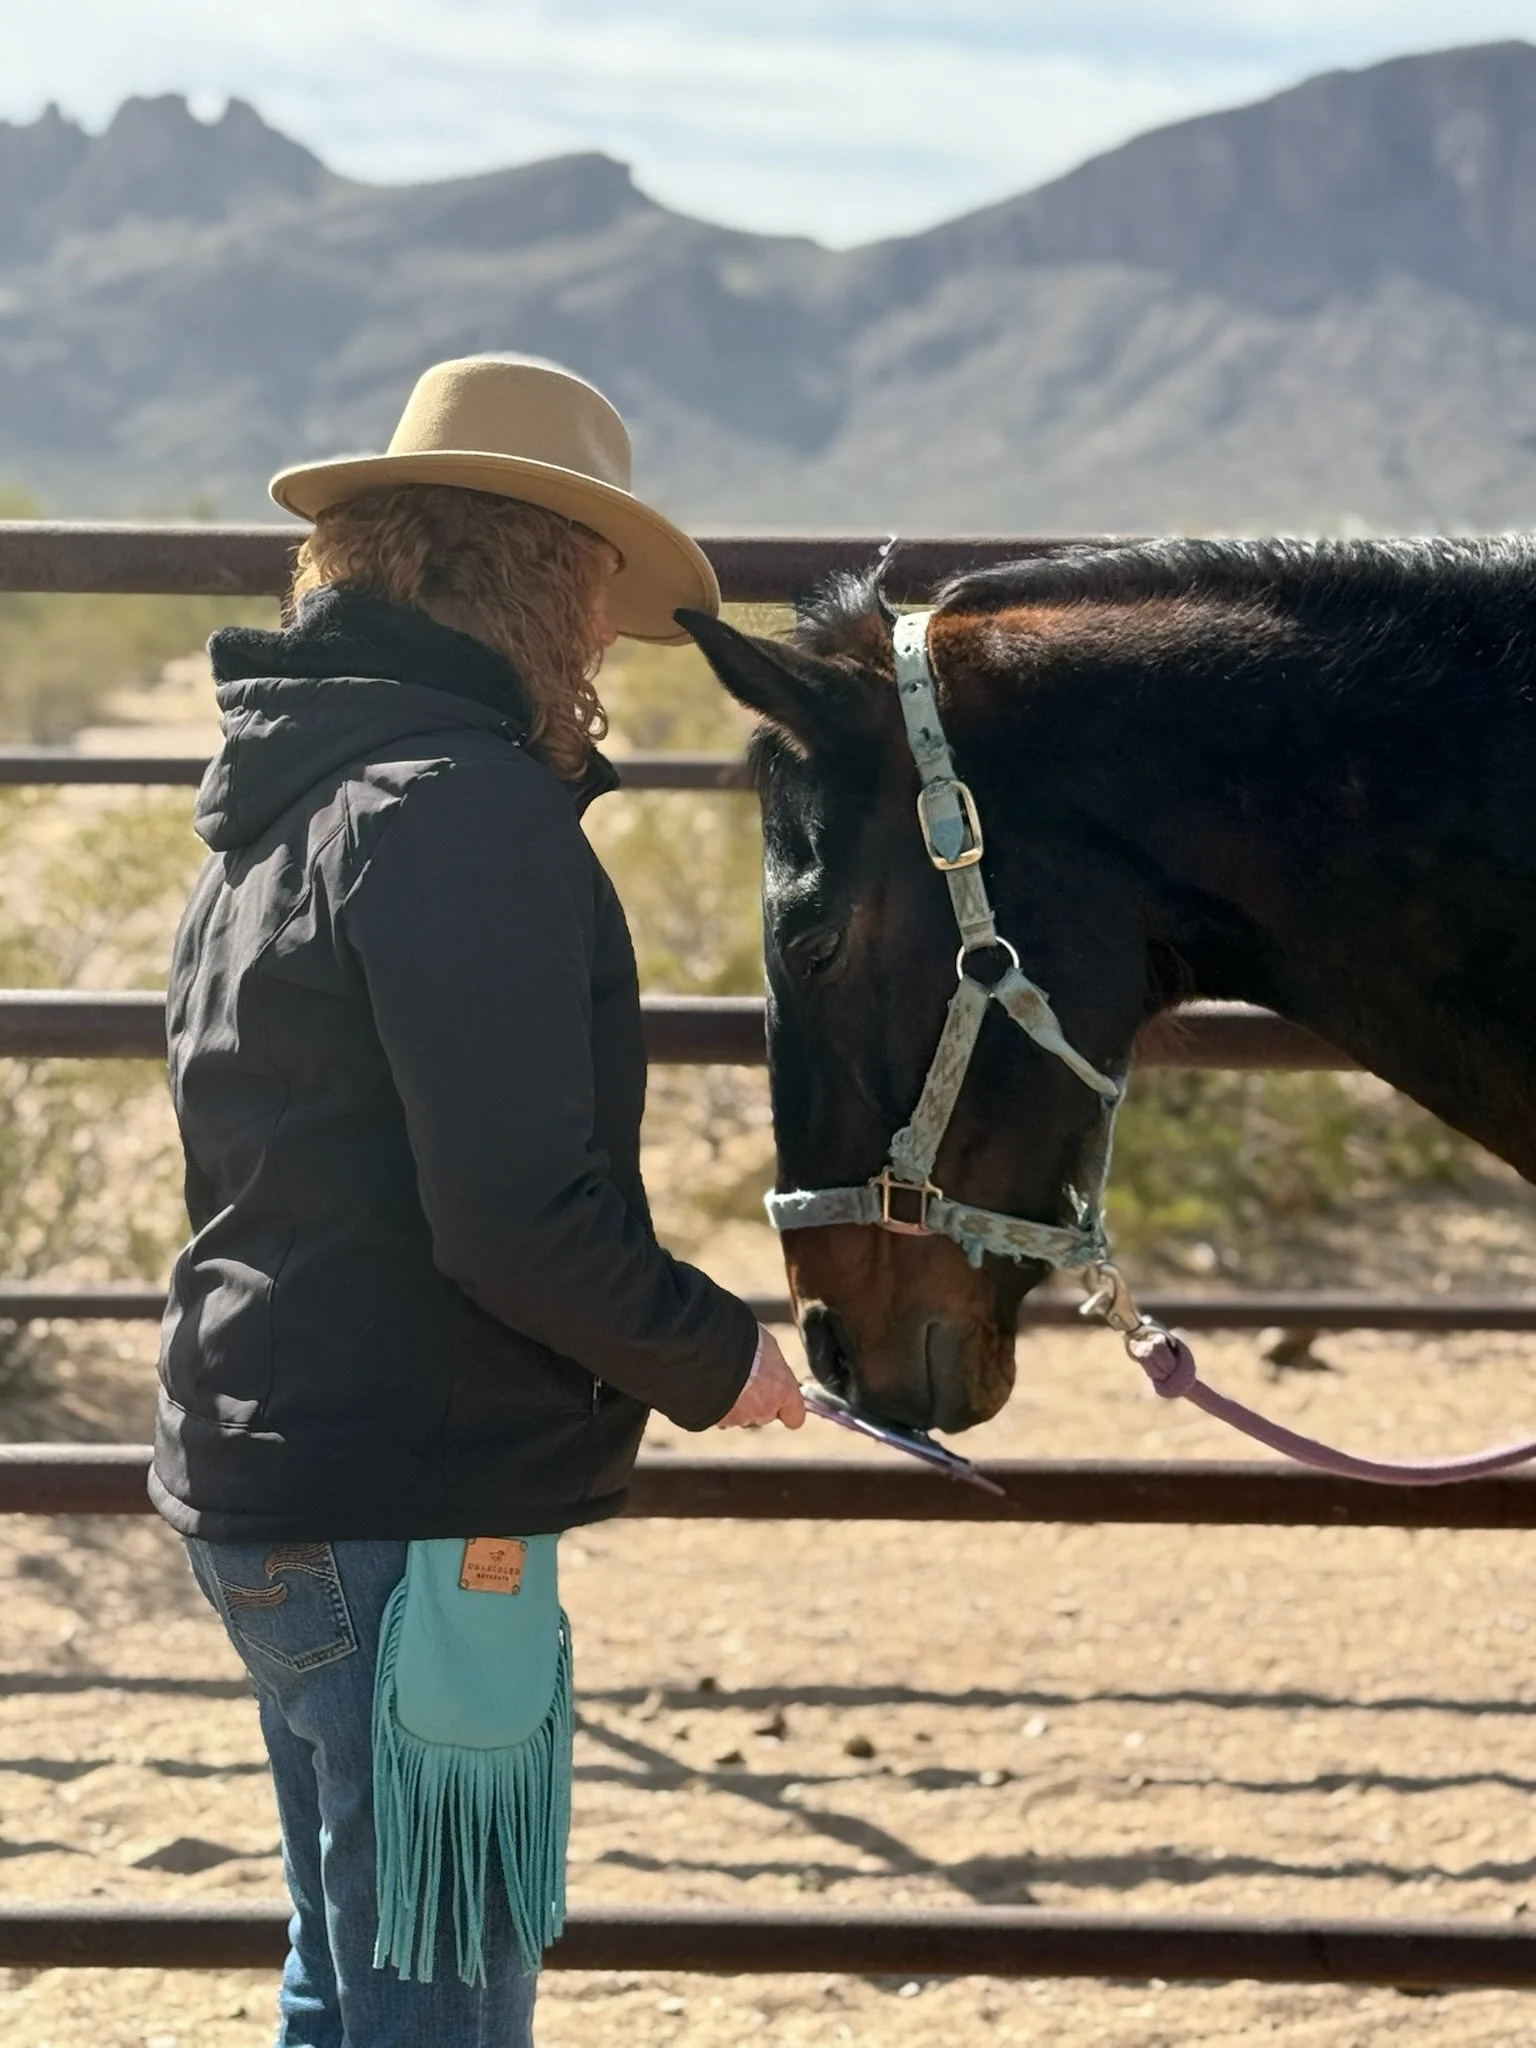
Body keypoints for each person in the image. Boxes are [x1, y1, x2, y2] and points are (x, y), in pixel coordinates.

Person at [152, 354, 805, 2047]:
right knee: (440, 2004)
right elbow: (512, 1217)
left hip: (272, 1483)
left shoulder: (279, 804)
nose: (604, 628)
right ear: (541, 567)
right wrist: (710, 1352)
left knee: (345, 1967)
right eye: (597, 580)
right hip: (413, 1517)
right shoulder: (461, 813)